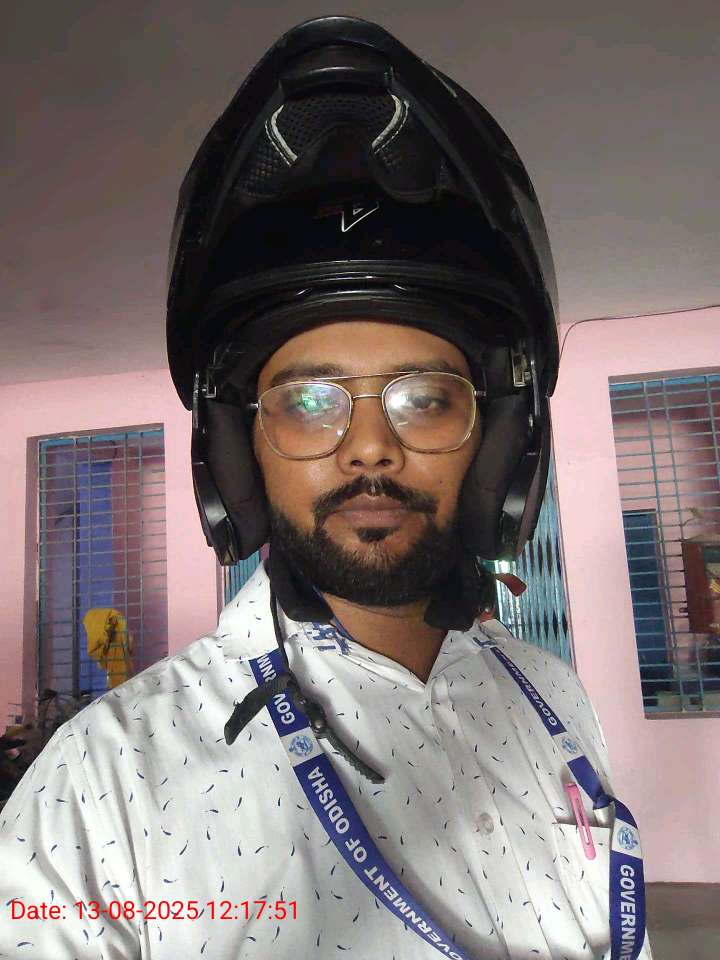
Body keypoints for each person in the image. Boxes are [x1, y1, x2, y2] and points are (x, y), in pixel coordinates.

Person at [0, 16, 652, 960]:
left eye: (425, 398)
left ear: (501, 444)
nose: (370, 449)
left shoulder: (554, 697)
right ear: (239, 453)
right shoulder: (101, 784)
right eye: (308, 403)